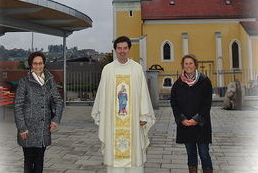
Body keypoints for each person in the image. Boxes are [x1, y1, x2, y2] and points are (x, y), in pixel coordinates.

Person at [91, 36, 156, 173]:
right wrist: (102, 115)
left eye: (125, 48)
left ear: (129, 49)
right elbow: (103, 95)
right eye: (119, 48)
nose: (122, 51)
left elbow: (143, 93)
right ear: (115, 50)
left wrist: (144, 115)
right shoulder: (108, 69)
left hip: (133, 121)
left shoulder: (137, 68)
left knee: (134, 156)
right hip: (113, 121)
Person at [14, 51, 63, 173]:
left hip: (43, 128)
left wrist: (56, 120)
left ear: (44, 64)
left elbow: (58, 101)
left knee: (40, 159)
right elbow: (18, 106)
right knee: (29, 160)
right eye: (35, 63)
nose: (38, 66)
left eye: (40, 63)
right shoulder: (24, 82)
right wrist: (22, 127)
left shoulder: (50, 81)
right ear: (31, 65)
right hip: (28, 128)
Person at [170, 54, 213, 173]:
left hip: (201, 126)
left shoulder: (204, 82)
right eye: (186, 64)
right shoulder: (178, 84)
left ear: (195, 65)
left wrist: (198, 119)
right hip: (186, 126)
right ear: (183, 66)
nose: (188, 66)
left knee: (204, 153)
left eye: (190, 63)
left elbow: (207, 103)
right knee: (191, 154)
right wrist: (181, 119)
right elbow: (174, 104)